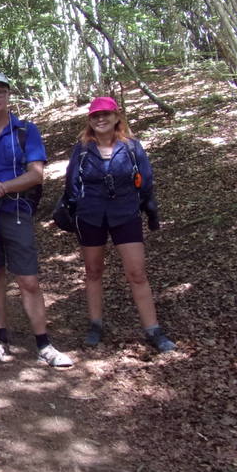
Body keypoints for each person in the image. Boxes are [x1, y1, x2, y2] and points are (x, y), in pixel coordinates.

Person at [0, 71, 72, 367]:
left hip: (16, 212)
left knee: (28, 279)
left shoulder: (26, 131)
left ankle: (44, 344)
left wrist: (1, 188)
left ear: (8, 96)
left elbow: (36, 174)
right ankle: (1, 339)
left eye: (0, 92)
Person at [65, 96, 176, 352]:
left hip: (125, 213)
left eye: (105, 114)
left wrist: (150, 211)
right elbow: (71, 184)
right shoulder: (82, 149)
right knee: (93, 271)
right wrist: (75, 209)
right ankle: (95, 324)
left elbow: (146, 181)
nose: (100, 119)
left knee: (137, 273)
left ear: (116, 117)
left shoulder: (131, 147)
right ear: (89, 120)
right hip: (91, 215)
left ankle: (153, 329)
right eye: (95, 115)